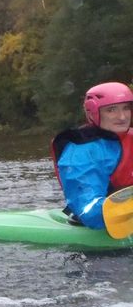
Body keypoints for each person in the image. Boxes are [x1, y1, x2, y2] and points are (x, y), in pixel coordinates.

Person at [51, 82, 133, 229]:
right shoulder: (81, 151)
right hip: (101, 223)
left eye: (126, 108)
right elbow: (89, 209)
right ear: (93, 112)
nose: (122, 116)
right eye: (111, 110)